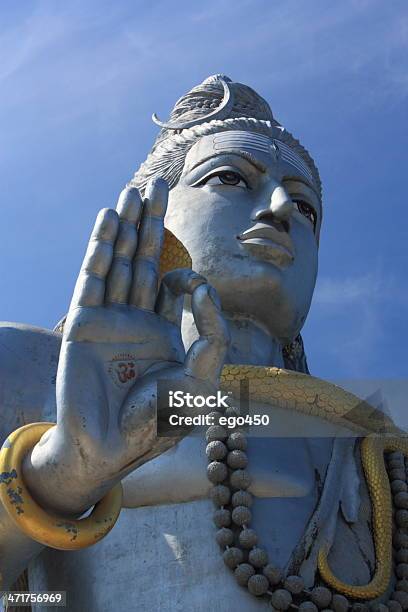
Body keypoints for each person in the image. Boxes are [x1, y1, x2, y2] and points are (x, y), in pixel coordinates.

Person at [0, 75, 406, 612]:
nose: (283, 208)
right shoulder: (33, 370)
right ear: (155, 214)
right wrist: (57, 478)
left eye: (307, 210)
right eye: (231, 179)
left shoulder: (376, 446)